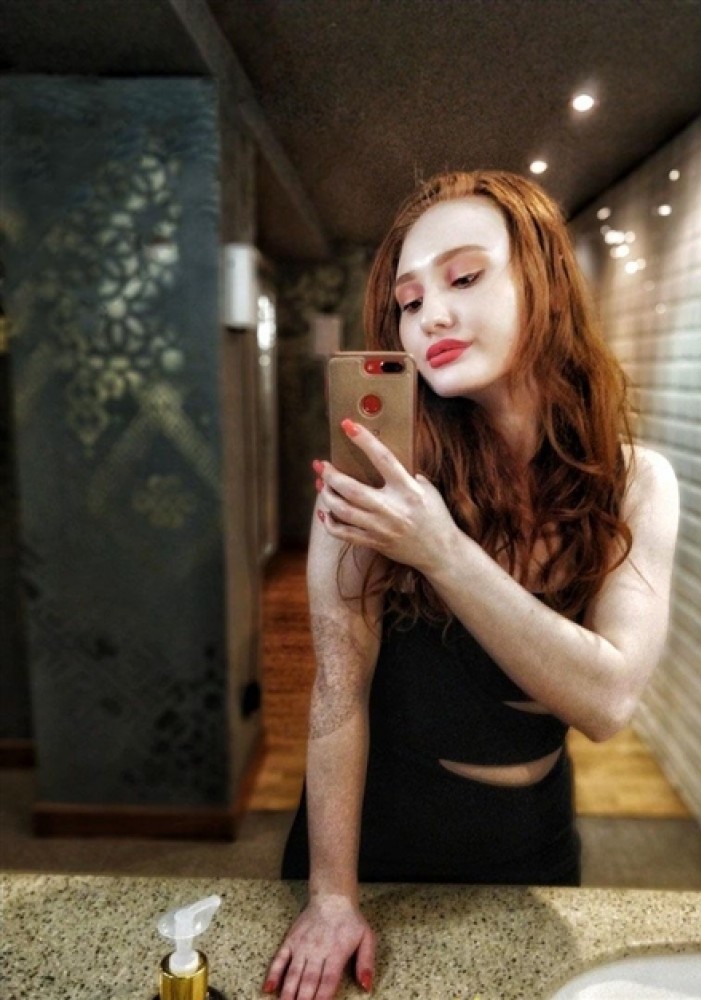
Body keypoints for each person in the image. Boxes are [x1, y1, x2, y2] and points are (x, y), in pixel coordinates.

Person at [263, 170, 679, 999]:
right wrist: (333, 898)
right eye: (409, 302)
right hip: (380, 844)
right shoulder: (377, 487)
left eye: (463, 278)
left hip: (534, 841)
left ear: (546, 282)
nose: (430, 318)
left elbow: (607, 702)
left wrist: (442, 552)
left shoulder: (635, 482)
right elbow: (338, 693)